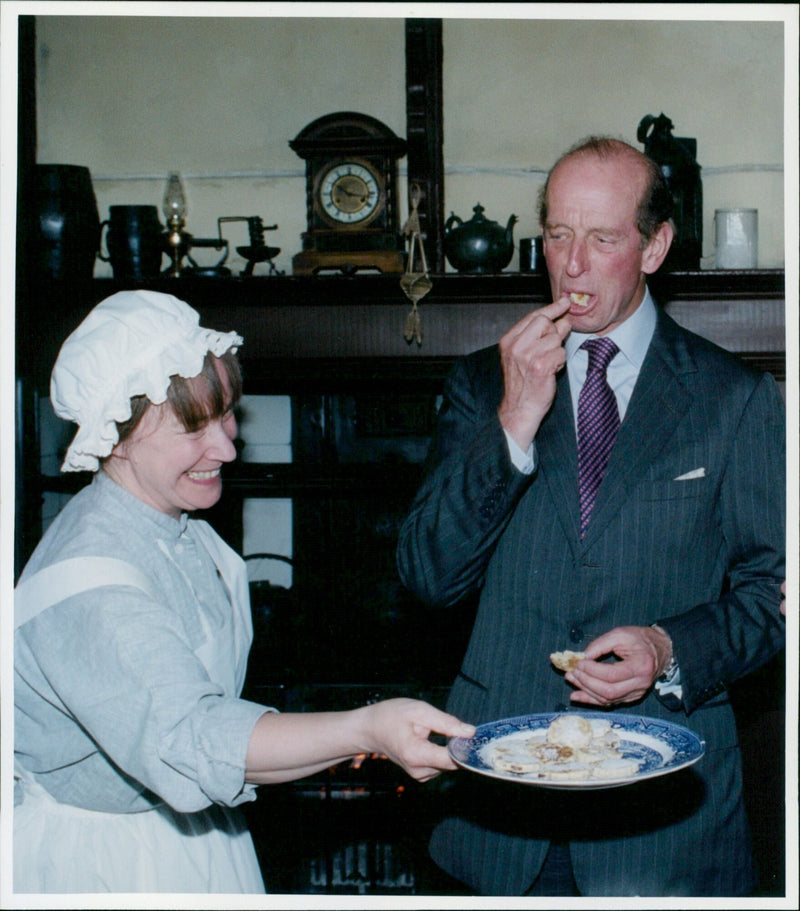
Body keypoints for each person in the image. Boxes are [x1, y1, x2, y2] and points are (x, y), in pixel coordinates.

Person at [397, 137, 785, 897]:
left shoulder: (734, 397)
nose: (571, 265)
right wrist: (512, 423)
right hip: (496, 821)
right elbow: (426, 578)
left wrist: (670, 645)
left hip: (666, 827)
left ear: (655, 246)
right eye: (556, 235)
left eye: (602, 238)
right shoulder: (484, 384)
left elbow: (770, 597)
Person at [13, 289, 475, 894]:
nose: (227, 447)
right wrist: (367, 729)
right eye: (193, 427)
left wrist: (374, 735)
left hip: (192, 833)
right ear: (117, 436)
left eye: (227, 412)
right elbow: (196, 740)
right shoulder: (90, 581)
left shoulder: (170, 520)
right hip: (109, 864)